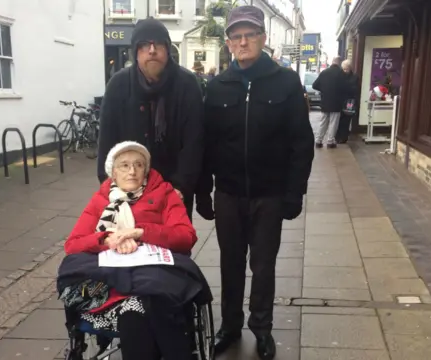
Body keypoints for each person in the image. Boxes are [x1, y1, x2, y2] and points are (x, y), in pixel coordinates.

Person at [195, 5, 314, 360]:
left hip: (269, 194)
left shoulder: (285, 82)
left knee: (263, 266)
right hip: (229, 194)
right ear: (229, 42)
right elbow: (206, 143)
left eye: (250, 35)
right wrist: (204, 191)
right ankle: (230, 326)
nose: (243, 41)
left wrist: (294, 193)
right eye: (237, 36)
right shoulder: (217, 86)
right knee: (230, 263)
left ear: (263, 38)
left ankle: (261, 328)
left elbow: (301, 142)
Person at [64, 141, 198, 360]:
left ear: (146, 170)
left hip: (155, 277)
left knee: (139, 311)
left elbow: (185, 237)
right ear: (113, 173)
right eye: (124, 165)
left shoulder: (165, 194)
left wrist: (141, 232)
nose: (132, 171)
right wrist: (107, 238)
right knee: (137, 313)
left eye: (138, 164)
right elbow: (73, 244)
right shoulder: (100, 200)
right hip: (110, 285)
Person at [97, 17, 204, 219]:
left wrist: (181, 186)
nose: (152, 50)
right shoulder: (118, 85)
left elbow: (194, 142)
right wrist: (109, 185)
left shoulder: (187, 85)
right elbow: (107, 142)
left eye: (158, 44)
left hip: (173, 191)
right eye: (145, 45)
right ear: (136, 51)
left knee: (175, 247)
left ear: (167, 49)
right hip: (128, 190)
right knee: (129, 246)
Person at [312, 56, 348, 148]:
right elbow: (345, 88)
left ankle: (318, 140)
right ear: (339, 63)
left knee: (323, 121)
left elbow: (314, 85)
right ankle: (330, 141)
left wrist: (324, 90)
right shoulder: (341, 73)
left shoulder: (324, 72)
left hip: (325, 101)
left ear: (332, 62)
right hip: (336, 102)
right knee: (333, 122)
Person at [335, 59, 360, 143]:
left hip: (349, 101)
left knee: (346, 120)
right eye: (344, 69)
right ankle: (337, 136)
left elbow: (355, 89)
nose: (345, 71)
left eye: (347, 69)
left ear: (350, 68)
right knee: (338, 120)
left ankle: (343, 137)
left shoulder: (355, 77)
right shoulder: (339, 76)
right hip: (340, 101)